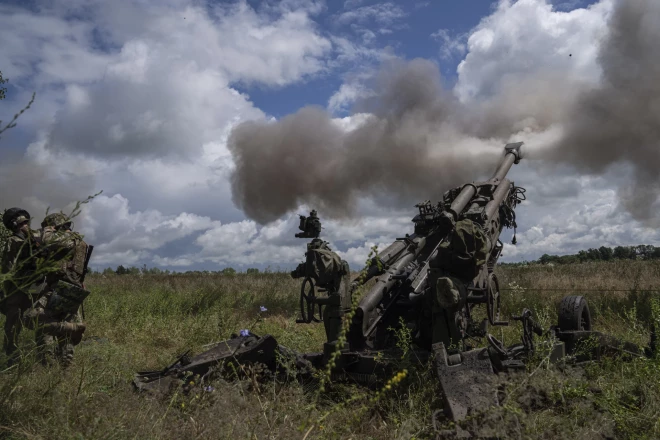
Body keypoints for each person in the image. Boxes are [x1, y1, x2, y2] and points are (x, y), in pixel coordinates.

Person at [26, 212, 90, 366]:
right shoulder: (79, 241)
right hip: (73, 289)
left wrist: (48, 229)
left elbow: (47, 239)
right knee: (63, 324)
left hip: (60, 288)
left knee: (33, 319)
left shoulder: (67, 238)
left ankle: (74, 329)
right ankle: (65, 364)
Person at [0, 207, 44, 365]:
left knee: (22, 321)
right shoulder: (22, 239)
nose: (26, 225)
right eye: (24, 222)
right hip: (28, 288)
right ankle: (15, 357)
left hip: (25, 288)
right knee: (23, 321)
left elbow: (7, 268)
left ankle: (20, 357)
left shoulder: (22, 241)